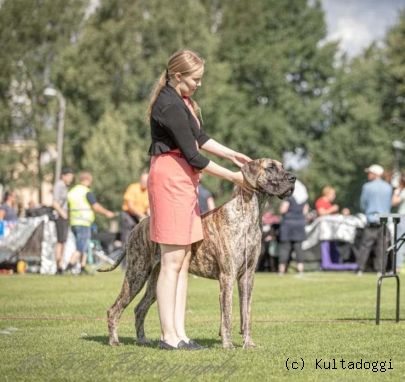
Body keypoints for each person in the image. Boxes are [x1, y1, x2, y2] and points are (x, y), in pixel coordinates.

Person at [147, 49, 251, 350]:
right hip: (171, 178)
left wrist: (232, 155)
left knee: (183, 259)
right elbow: (193, 155)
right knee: (171, 260)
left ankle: (180, 334)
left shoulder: (182, 102)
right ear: (177, 76)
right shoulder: (168, 105)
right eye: (195, 79)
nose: (199, 84)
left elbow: (200, 138)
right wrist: (234, 177)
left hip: (184, 180)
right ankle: (168, 336)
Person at [66, 171, 115, 274]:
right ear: (87, 180)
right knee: (80, 247)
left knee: (83, 245)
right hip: (84, 222)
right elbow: (95, 206)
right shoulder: (86, 192)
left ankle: (82, 267)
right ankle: (68, 266)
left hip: (74, 222)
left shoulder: (72, 191)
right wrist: (106, 213)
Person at [357, 164, 392, 275]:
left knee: (365, 246)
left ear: (375, 174)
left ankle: (360, 269)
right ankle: (380, 270)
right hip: (384, 220)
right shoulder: (388, 187)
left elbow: (363, 204)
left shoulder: (367, 187)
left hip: (371, 219)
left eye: (370, 173)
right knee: (382, 247)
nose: (368, 175)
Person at [277, 179, 309, 276]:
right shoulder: (304, 199)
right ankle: (301, 270)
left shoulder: (289, 198)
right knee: (298, 248)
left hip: (288, 224)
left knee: (285, 248)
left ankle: (281, 270)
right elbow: (305, 212)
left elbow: (283, 210)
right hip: (299, 224)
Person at [52, 167, 75, 275]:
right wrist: (63, 214)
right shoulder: (59, 185)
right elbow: (55, 203)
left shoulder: (65, 186)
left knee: (63, 241)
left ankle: (60, 265)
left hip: (64, 217)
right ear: (63, 176)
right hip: (60, 217)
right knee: (60, 242)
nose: (71, 179)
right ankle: (58, 267)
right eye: (69, 176)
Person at [121, 172, 150, 245]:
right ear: (140, 180)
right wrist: (142, 216)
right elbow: (130, 207)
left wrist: (150, 217)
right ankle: (126, 251)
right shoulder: (133, 188)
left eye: (146, 181)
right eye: (143, 181)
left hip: (140, 216)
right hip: (129, 215)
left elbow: (148, 208)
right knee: (128, 237)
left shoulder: (148, 191)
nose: (145, 183)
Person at [392, 172, 405, 273]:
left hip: (403, 217)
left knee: (399, 242)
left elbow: (394, 202)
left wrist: (396, 192)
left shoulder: (403, 191)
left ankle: (397, 267)